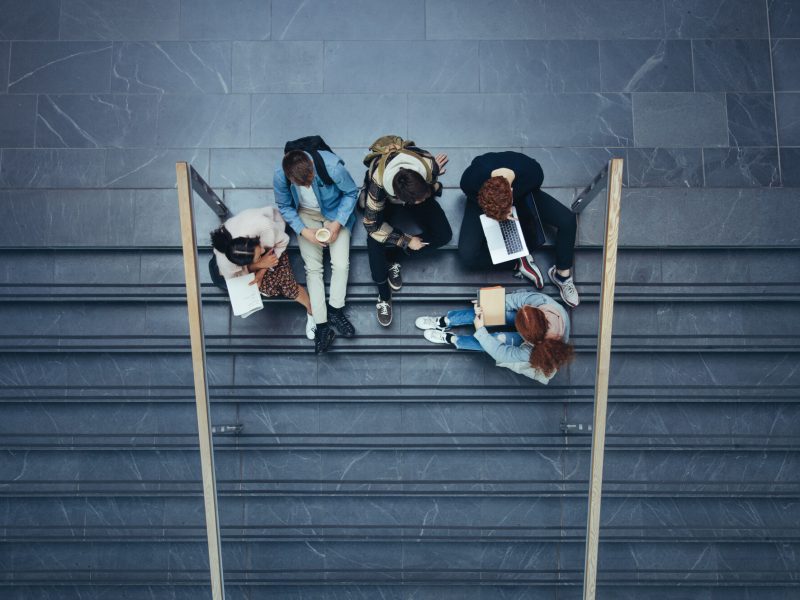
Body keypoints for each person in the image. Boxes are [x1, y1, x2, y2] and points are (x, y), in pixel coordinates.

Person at [458, 151, 580, 307]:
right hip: (483, 204)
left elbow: (534, 189)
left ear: (512, 191)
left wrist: (512, 208)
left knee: (567, 220)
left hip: (523, 195)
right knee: (467, 256)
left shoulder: (532, 172)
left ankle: (562, 275)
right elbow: (472, 196)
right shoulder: (470, 180)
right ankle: (517, 261)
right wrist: (493, 212)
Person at [274, 147, 358, 353]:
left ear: (311, 166)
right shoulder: (280, 177)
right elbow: (284, 206)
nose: (308, 185)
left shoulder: (332, 168)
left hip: (335, 212)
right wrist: (303, 231)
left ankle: (336, 310)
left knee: (340, 264)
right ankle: (321, 326)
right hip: (305, 216)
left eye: (311, 180)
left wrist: (337, 224)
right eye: (302, 184)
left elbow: (351, 192)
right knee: (313, 269)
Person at [363, 136, 452, 326]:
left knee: (444, 234)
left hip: (416, 189)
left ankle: (394, 257)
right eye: (416, 202)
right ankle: (384, 295)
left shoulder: (426, 164)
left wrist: (433, 177)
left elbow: (428, 181)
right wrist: (405, 240)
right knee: (373, 241)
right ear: (403, 199)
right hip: (386, 200)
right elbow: (371, 225)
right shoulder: (377, 187)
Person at [415, 290, 573, 385]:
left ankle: (453, 339)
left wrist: (481, 330)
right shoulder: (543, 303)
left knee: (495, 340)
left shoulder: (531, 352)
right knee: (487, 311)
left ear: (527, 340)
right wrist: (489, 304)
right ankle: (446, 321)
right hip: (535, 330)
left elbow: (500, 352)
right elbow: (518, 300)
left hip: (537, 343)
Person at [209, 206, 316, 345]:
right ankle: (267, 278)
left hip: (275, 242)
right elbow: (236, 275)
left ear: (254, 240)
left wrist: (262, 267)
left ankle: (311, 310)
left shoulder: (265, 228)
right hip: (251, 259)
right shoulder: (225, 262)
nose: (261, 255)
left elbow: (282, 242)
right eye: (258, 257)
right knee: (269, 288)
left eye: (259, 253)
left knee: (286, 286)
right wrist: (259, 265)